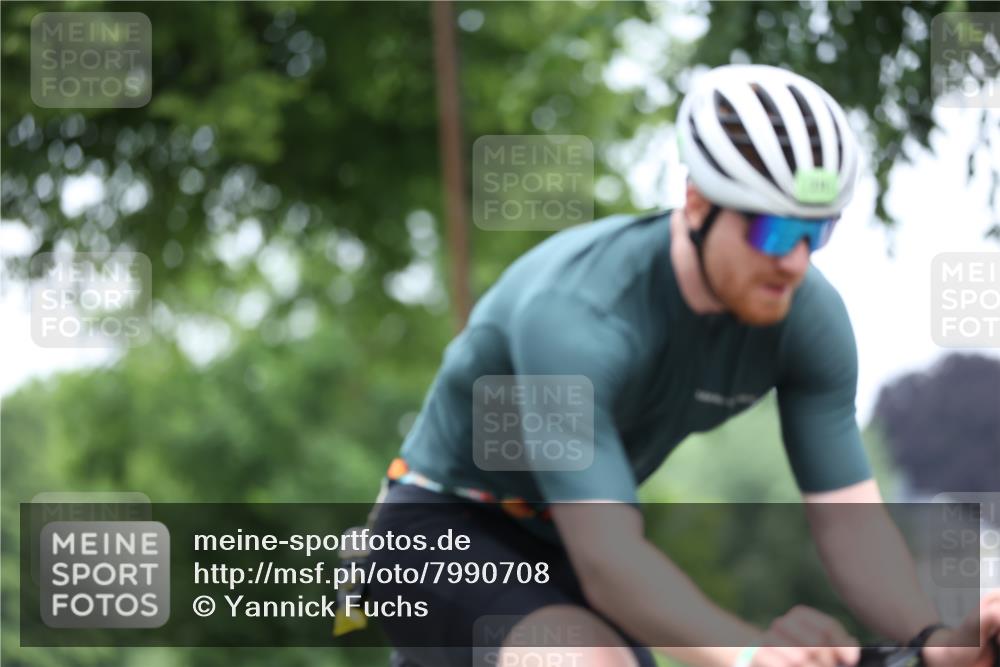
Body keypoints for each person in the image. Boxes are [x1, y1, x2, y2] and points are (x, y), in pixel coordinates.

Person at [361, 64, 1000, 667]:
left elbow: (848, 522)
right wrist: (750, 653)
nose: (795, 262)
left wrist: (932, 642)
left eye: (817, 233)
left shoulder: (808, 319)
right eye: (773, 233)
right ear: (696, 203)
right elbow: (610, 561)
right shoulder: (577, 314)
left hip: (564, 547)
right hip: (437, 528)